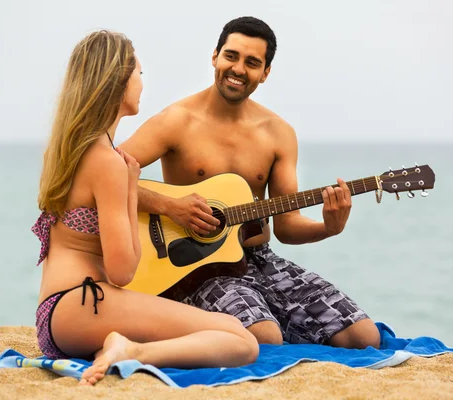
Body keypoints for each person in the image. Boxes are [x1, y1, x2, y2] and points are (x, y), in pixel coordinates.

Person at [119, 17, 381, 349]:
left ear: (265, 73)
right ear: (215, 56)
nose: (238, 69)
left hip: (258, 257)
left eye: (252, 62)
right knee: (263, 337)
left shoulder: (279, 133)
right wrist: (171, 206)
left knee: (363, 336)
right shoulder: (176, 121)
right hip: (196, 267)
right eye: (231, 56)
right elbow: (106, 176)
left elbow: (286, 226)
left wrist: (329, 227)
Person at [31, 30, 259, 387]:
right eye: (139, 73)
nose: (141, 82)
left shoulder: (68, 149)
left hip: (56, 311)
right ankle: (133, 351)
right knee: (241, 341)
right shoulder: (107, 161)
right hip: (81, 302)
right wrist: (126, 190)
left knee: (232, 331)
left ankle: (123, 345)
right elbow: (123, 272)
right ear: (119, 81)